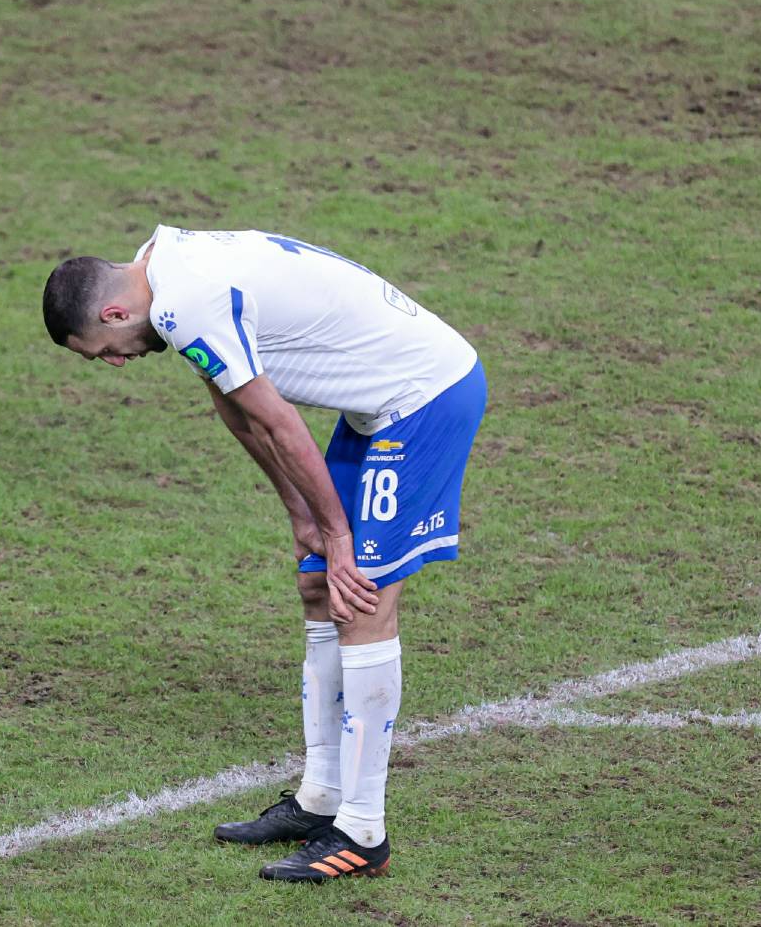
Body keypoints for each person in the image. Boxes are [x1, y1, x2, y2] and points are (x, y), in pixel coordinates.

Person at [42, 225, 486, 882]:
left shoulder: (181, 302)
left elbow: (279, 419)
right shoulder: (158, 266)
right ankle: (321, 798)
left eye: (100, 351)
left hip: (424, 397)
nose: (113, 362)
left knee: (357, 590)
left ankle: (363, 831)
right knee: (317, 585)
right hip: (375, 408)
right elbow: (234, 404)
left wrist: (339, 536)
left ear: (114, 314)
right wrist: (299, 509)